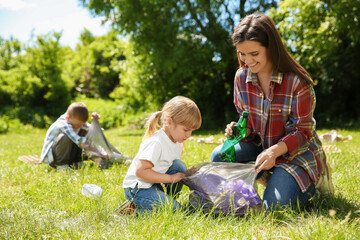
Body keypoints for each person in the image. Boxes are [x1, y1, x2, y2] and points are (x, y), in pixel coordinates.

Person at [211, 13, 330, 210]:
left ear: (271, 48)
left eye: (254, 54)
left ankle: (310, 185)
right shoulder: (241, 77)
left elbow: (303, 131)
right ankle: (260, 185)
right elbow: (247, 118)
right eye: (242, 53)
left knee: (274, 207)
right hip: (263, 146)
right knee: (219, 155)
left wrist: (275, 151)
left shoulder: (297, 82)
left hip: (297, 154)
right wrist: (241, 129)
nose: (247, 60)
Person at [121, 96, 202, 215]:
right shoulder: (156, 142)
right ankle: (132, 211)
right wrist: (170, 179)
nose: (189, 135)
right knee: (177, 211)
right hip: (138, 189)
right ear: (169, 122)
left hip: (153, 184)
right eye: (185, 130)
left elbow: (169, 165)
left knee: (179, 166)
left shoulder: (176, 141)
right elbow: (141, 172)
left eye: (192, 131)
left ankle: (166, 200)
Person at [40, 102, 104, 171]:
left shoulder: (76, 121)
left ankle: (76, 162)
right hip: (54, 157)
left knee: (83, 131)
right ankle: (61, 165)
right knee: (65, 136)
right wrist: (96, 151)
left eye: (81, 124)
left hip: (69, 153)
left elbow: (92, 132)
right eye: (77, 125)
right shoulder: (63, 124)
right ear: (68, 118)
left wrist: (95, 123)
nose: (79, 126)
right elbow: (79, 141)